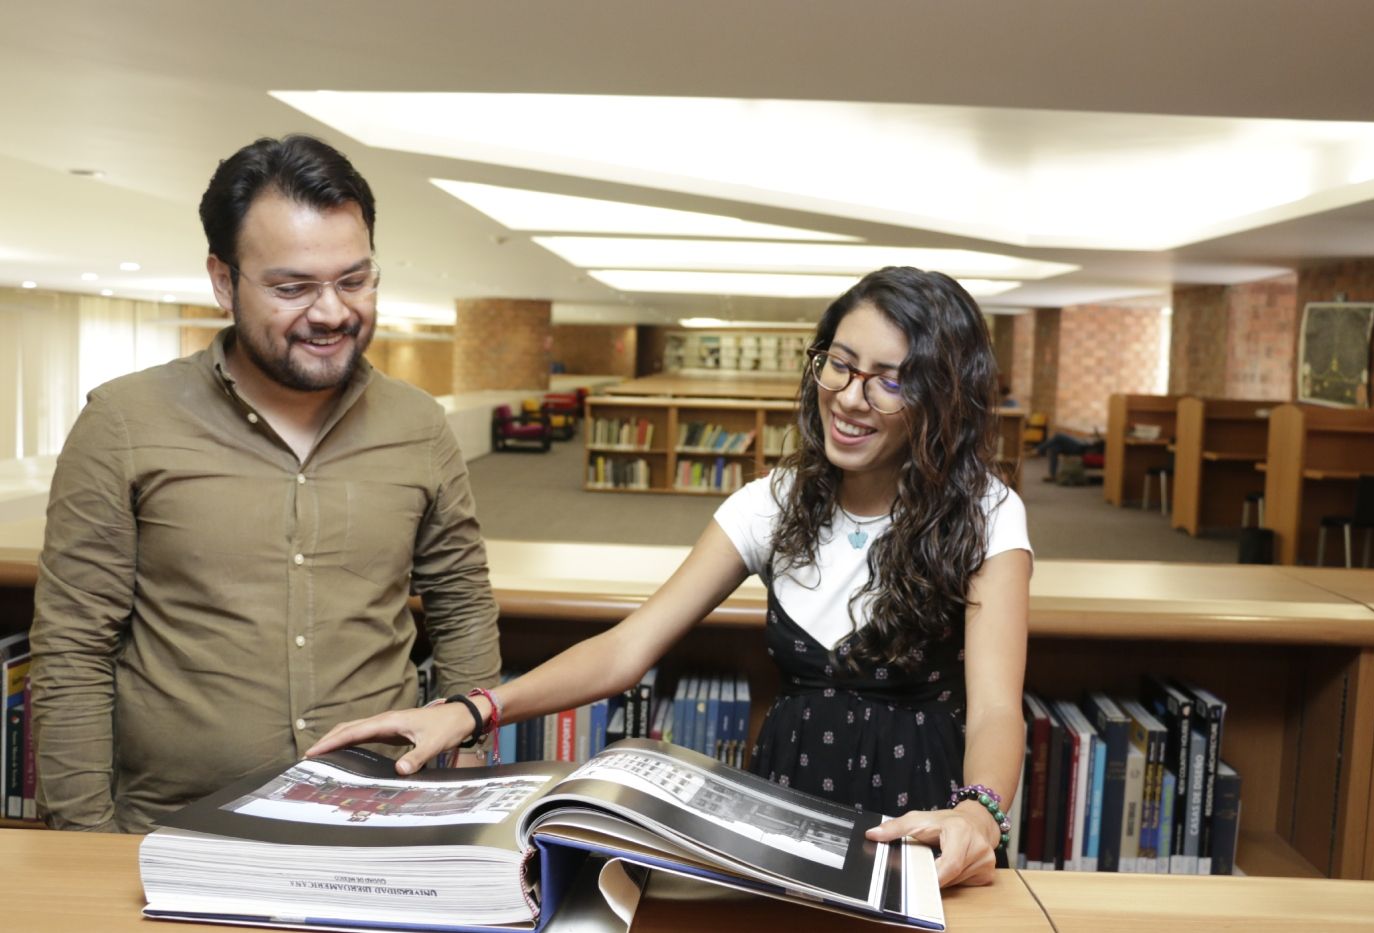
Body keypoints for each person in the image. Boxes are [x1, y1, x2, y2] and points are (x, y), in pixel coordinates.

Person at [310, 267, 1032, 888]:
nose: (848, 396)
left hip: (919, 810)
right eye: (839, 363)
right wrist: (471, 710)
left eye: (890, 380)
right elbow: (628, 648)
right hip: (788, 797)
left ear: (941, 396)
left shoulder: (987, 516)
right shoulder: (769, 504)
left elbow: (997, 707)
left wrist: (979, 811)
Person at [29, 135, 501, 834]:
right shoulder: (123, 422)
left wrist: (465, 765)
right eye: (293, 287)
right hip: (173, 831)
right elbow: (73, 646)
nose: (332, 312)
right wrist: (81, 837)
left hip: (374, 824)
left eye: (354, 279)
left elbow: (461, 604)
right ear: (223, 281)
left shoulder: (419, 425)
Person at [1034, 430, 1104, 481]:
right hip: (1083, 445)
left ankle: (1038, 450)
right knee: (1054, 448)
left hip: (1083, 449)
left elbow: (1098, 447)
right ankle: (1052, 475)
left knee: (1059, 436)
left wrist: (1094, 441)